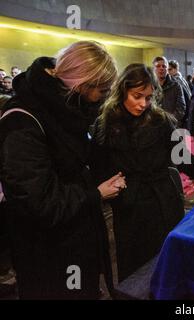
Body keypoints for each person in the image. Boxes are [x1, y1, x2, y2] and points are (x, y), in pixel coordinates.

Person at [0, 41, 123, 299]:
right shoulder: (22, 119)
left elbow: (77, 163)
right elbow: (38, 202)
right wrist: (96, 194)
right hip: (46, 254)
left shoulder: (66, 108)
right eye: (100, 90)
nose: (101, 98)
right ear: (81, 83)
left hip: (75, 242)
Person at [90, 64, 194, 281]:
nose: (143, 104)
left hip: (162, 202)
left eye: (148, 97)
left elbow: (181, 155)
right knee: (134, 269)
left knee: (167, 263)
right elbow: (99, 166)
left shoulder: (160, 120)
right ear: (122, 91)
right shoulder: (105, 123)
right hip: (130, 206)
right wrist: (114, 188)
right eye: (137, 96)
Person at [152, 56, 186, 126]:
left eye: (164, 66)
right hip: (153, 126)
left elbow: (181, 108)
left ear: (167, 69)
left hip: (171, 126)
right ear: (153, 69)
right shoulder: (149, 86)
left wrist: (169, 121)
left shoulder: (176, 85)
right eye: (158, 66)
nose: (161, 68)